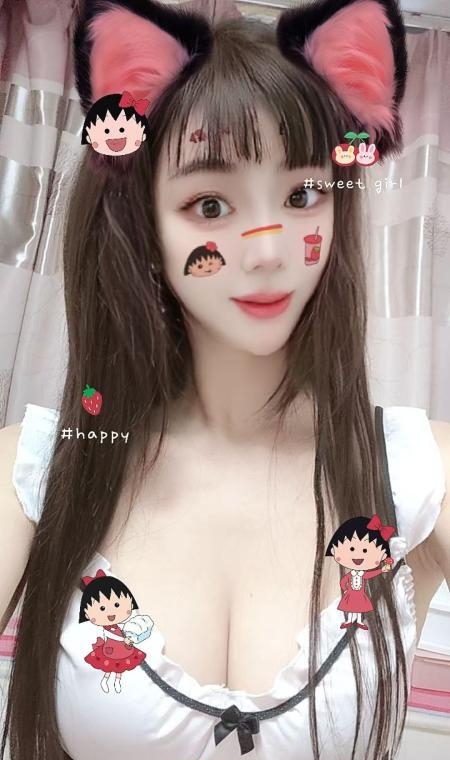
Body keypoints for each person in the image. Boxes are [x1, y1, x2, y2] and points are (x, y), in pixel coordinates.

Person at [0, 0, 449, 759]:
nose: (269, 251)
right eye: (210, 204)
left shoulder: (418, 469)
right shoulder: (40, 469)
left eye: (302, 196)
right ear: (144, 225)